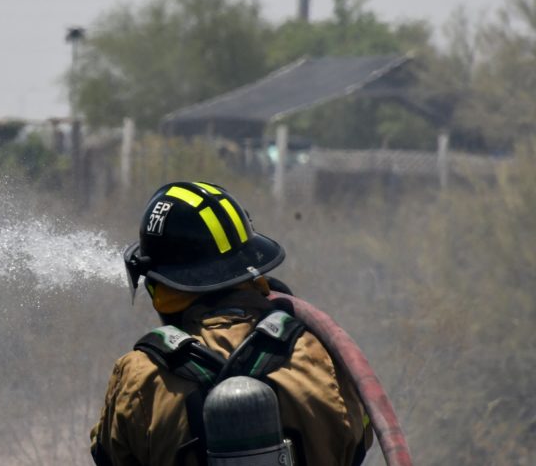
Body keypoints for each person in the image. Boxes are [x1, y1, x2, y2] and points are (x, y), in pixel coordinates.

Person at [91, 181, 372, 466]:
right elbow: (358, 441)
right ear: (250, 270)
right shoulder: (322, 357)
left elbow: (109, 455)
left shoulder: (139, 377)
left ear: (162, 290)